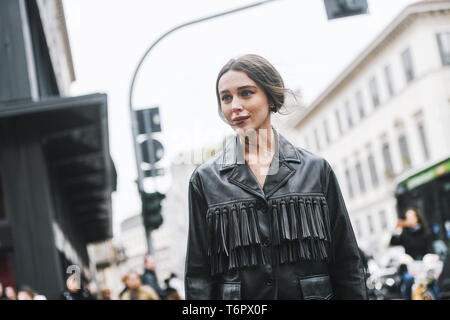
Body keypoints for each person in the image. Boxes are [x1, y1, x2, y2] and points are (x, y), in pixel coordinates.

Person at [184, 54, 367, 300]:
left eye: (246, 93)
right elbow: (198, 275)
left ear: (270, 98)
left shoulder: (316, 169)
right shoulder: (204, 180)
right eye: (226, 98)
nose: (235, 105)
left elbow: (346, 262)